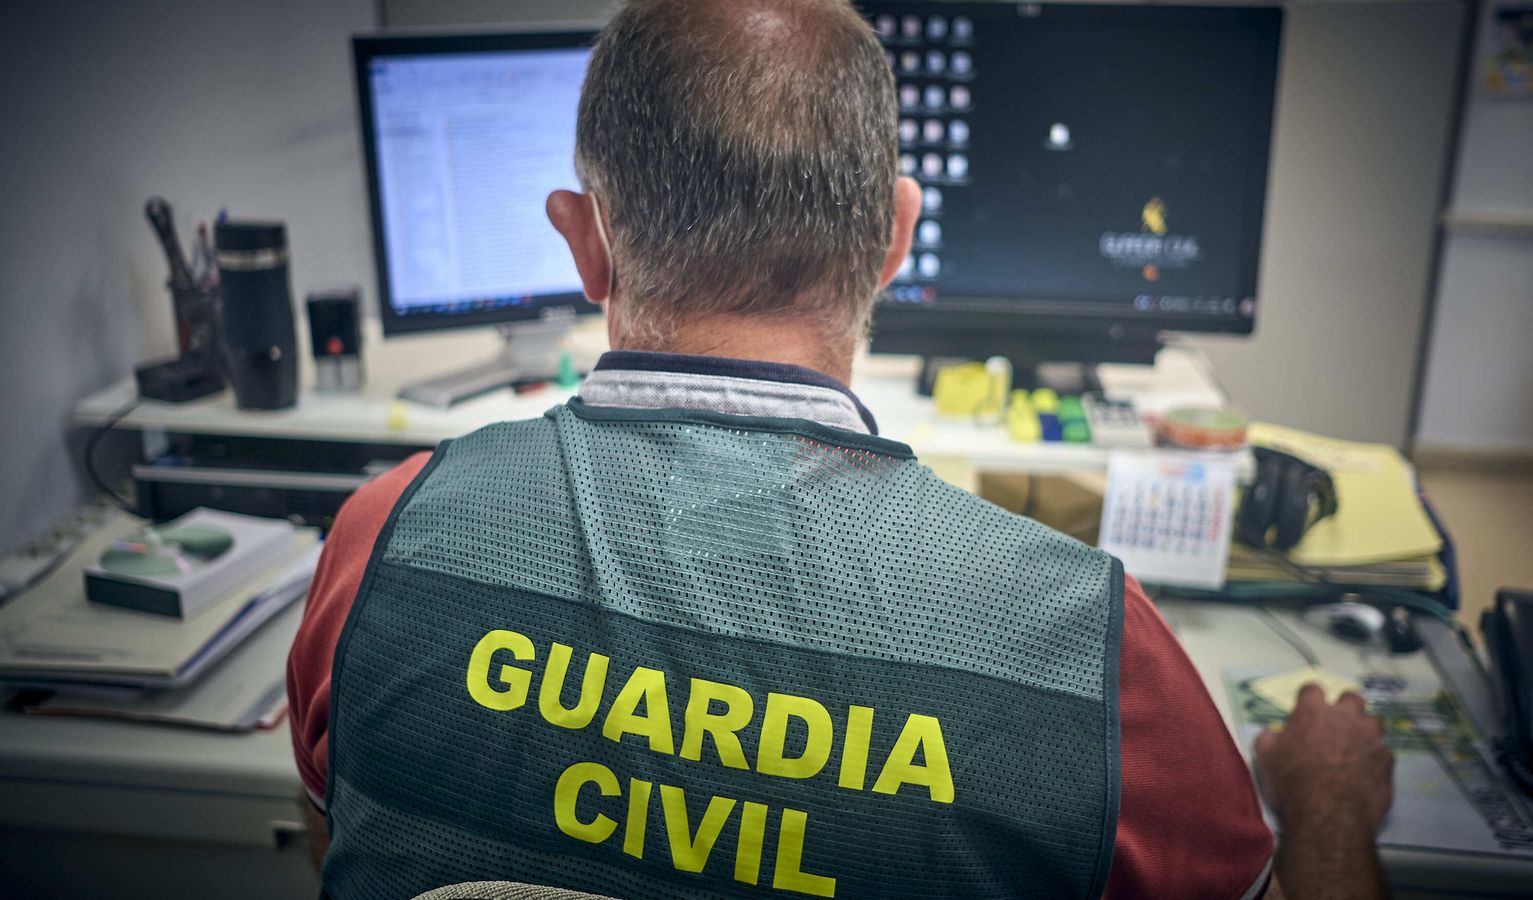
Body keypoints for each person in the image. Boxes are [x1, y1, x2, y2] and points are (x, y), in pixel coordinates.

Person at [287, 1, 1393, 897]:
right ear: (897, 237)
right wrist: (1330, 813)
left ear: (584, 240)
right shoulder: (1100, 659)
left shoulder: (379, 541)